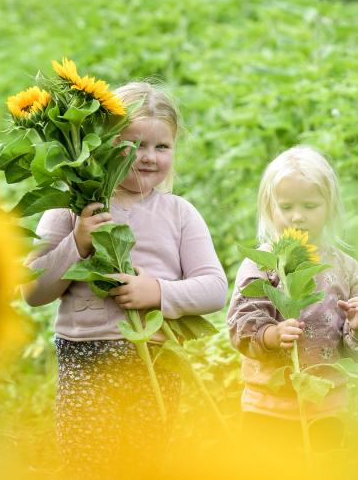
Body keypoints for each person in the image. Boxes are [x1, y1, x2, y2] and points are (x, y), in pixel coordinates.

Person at [22, 81, 227, 477]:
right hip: (86, 359)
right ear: (102, 144)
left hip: (154, 361)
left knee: (141, 464)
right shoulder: (74, 207)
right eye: (134, 144)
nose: (148, 157)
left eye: (162, 146)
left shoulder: (180, 213)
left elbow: (215, 288)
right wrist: (77, 243)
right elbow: (32, 291)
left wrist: (159, 292)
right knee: (87, 463)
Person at [227, 145, 358, 460]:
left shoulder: (345, 268)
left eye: (310, 205)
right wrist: (270, 335)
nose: (297, 216)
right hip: (268, 405)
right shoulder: (262, 264)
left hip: (327, 405)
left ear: (329, 208)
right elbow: (241, 321)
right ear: (269, 208)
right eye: (286, 206)